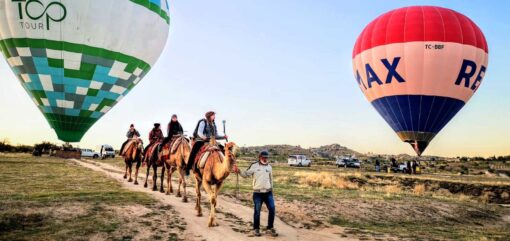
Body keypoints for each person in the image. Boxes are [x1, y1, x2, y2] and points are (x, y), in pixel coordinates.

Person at [233, 150, 278, 237]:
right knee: (257, 211)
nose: (265, 159)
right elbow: (246, 174)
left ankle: (270, 228)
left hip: (268, 193)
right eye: (263, 157)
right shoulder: (254, 166)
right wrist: (238, 170)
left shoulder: (269, 167)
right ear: (259, 157)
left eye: (266, 157)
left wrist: (272, 190)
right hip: (258, 194)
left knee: (272, 209)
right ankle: (256, 229)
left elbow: (271, 179)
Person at [185, 111, 227, 175]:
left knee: (224, 149)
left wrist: (223, 137)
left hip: (211, 141)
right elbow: (200, 133)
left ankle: (225, 166)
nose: (214, 117)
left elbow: (216, 136)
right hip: (201, 140)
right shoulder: (203, 122)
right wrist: (204, 137)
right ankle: (188, 168)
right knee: (194, 151)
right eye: (213, 115)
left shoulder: (213, 124)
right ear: (209, 116)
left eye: (214, 115)